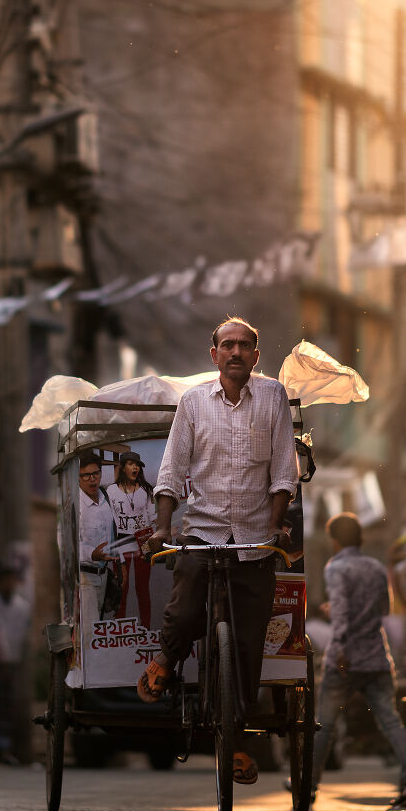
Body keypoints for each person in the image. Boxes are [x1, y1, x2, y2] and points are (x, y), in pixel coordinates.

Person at [139, 316, 299, 786]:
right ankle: (167, 660)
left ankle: (237, 740)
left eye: (243, 346)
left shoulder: (273, 398)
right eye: (226, 345)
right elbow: (171, 471)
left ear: (255, 354)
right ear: (214, 356)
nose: (234, 353)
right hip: (203, 532)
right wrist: (161, 527)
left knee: (248, 646)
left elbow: (284, 472)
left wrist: (275, 525)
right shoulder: (192, 404)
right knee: (185, 612)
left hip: (254, 541)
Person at [312, 513, 406, 809]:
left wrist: (337, 649)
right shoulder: (376, 568)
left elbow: (341, 615)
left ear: (334, 541)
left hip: (345, 659)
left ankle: (308, 784)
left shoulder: (336, 567)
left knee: (324, 723)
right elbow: (384, 608)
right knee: (390, 720)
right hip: (376, 656)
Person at [0, 565, 32, 764]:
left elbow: (20, 635)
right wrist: (2, 662)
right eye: (6, 580)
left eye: (12, 580)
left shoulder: (22, 606)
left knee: (9, 706)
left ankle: (5, 749)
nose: (9, 584)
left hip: (14, 661)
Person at [106, 451, 155, 627]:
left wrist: (151, 545)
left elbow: (151, 518)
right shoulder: (111, 491)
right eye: (130, 464)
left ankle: (146, 627)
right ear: (122, 467)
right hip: (120, 543)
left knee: (143, 588)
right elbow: (110, 521)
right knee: (122, 588)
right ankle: (120, 629)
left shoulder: (146, 490)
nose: (135, 468)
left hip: (143, 542)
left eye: (137, 465)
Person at [78, 452, 123, 641]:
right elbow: (67, 545)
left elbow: (113, 533)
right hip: (85, 577)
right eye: (86, 475)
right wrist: (92, 554)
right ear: (78, 477)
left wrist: (120, 565)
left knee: (100, 630)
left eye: (95, 473)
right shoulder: (76, 504)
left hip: (104, 575)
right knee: (90, 637)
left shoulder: (104, 497)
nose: (92, 479)